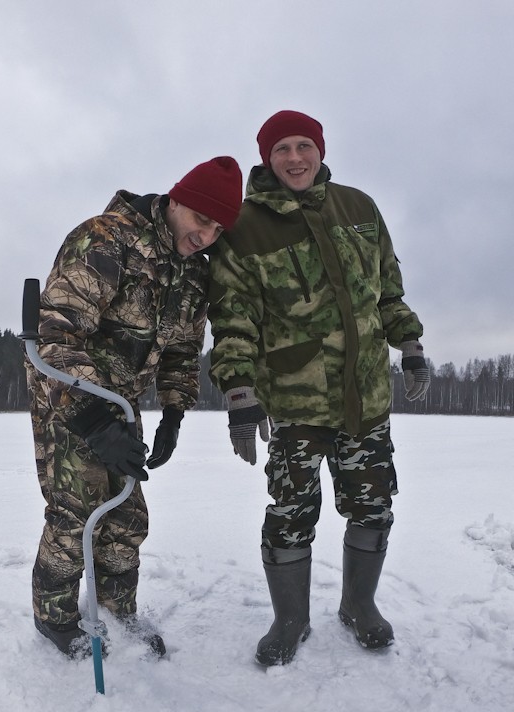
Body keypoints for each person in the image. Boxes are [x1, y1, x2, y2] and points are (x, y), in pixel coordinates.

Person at [207, 111, 430, 666]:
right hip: (295, 402)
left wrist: (412, 346)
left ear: (320, 149)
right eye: (281, 148)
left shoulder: (358, 208)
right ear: (267, 158)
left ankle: (359, 606)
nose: (295, 157)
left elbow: (388, 291)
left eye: (304, 145)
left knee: (372, 505)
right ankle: (291, 619)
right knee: (289, 511)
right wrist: (239, 396)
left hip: (366, 398)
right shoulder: (243, 225)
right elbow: (233, 320)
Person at [28, 155, 243, 659]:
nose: (207, 235)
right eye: (201, 220)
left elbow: (183, 350)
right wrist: (92, 420)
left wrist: (174, 412)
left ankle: (118, 611)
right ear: (176, 199)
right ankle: (54, 618)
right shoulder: (106, 239)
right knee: (76, 512)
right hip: (67, 395)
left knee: (127, 517)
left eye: (218, 228)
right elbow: (55, 334)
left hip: (121, 403)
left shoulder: (193, 273)